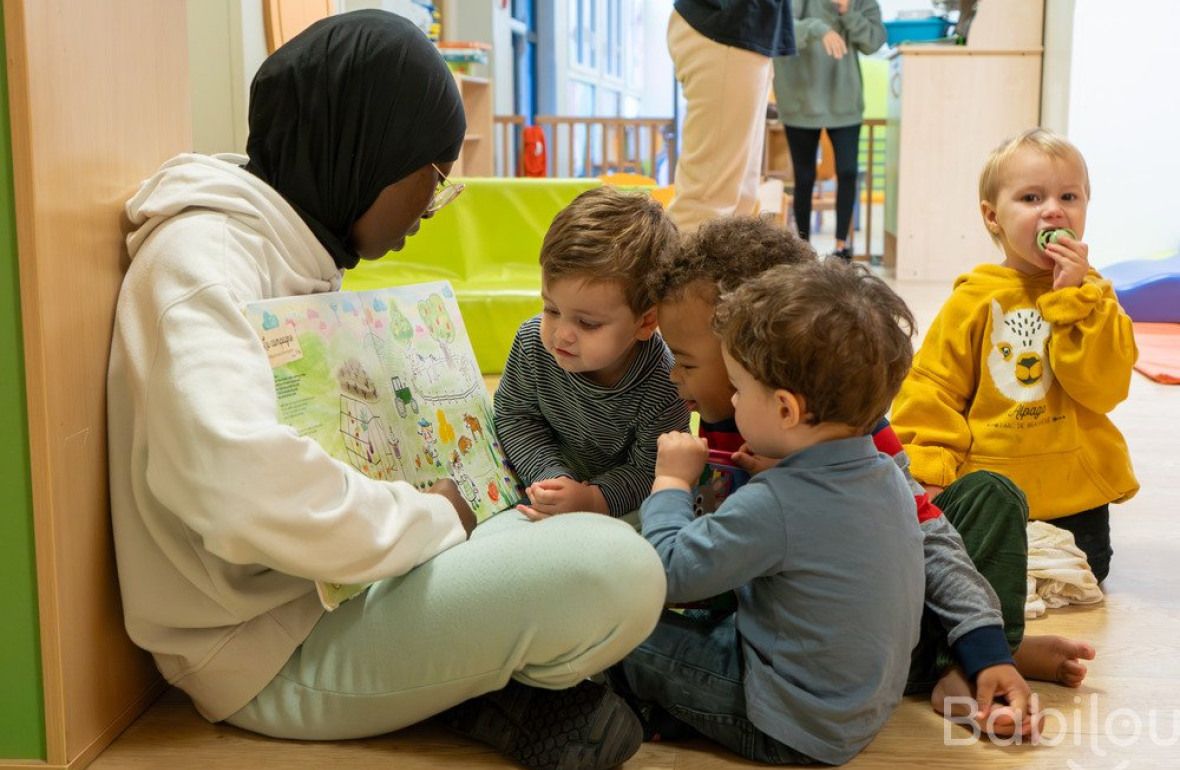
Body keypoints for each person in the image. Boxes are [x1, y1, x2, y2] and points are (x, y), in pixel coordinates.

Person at [107, 12, 665, 770]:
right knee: (620, 569)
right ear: (372, 152)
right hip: (264, 647)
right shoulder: (201, 266)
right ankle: (504, 692)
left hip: (334, 588)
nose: (429, 210)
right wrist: (430, 515)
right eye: (433, 178)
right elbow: (237, 490)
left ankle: (497, 687)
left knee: (550, 520)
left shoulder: (289, 239)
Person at [647, 216, 1095, 740]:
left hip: (860, 641)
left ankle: (971, 660)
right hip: (801, 620)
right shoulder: (716, 414)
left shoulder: (859, 440)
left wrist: (984, 646)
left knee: (988, 497)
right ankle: (975, 649)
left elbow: (926, 537)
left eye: (685, 362)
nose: (673, 376)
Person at [614, 259, 926, 765]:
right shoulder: (886, 474)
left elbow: (666, 573)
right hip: (857, 710)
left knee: (615, 626)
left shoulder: (778, 504)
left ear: (785, 410)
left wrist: (670, 481)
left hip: (787, 726)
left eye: (738, 388)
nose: (732, 400)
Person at [891, 128, 1139, 584]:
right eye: (1030, 197)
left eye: (1069, 196)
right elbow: (932, 390)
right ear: (992, 217)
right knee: (969, 570)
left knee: (1090, 569)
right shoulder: (974, 300)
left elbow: (1104, 389)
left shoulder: (1095, 295)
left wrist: (1072, 301)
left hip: (1073, 489)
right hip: (994, 488)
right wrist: (929, 467)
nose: (1053, 209)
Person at [494, 187, 690, 519]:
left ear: (645, 322)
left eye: (587, 323)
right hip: (539, 484)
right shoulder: (532, 344)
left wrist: (591, 500)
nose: (562, 335)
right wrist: (551, 478)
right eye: (551, 309)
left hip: (614, 507)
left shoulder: (665, 384)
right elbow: (515, 417)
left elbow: (651, 471)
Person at [666, 0, 796, 232]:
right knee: (706, 206)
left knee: (739, 205)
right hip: (726, 26)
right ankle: (682, 267)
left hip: (743, 30)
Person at [772, 0, 885, 259]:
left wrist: (848, 12)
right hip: (799, 99)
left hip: (844, 100)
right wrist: (818, 28)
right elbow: (779, 30)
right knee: (804, 178)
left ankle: (841, 247)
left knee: (847, 172)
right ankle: (804, 250)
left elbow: (875, 41)